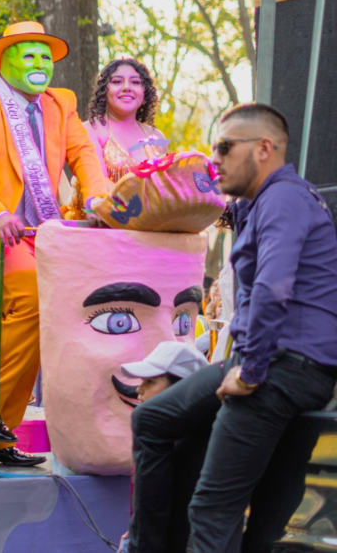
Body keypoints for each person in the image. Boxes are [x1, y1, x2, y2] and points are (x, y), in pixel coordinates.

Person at [128, 104, 337, 553]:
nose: (214, 159)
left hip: (283, 366)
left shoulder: (285, 198)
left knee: (212, 508)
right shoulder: (261, 203)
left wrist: (251, 371)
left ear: (264, 149)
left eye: (224, 147)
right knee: (152, 420)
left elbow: (274, 287)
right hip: (262, 358)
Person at [0, 21, 107, 467]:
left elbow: (83, 155)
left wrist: (99, 194)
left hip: (42, 234)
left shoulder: (59, 104)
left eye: (46, 56)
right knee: (33, 297)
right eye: (29, 55)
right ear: (3, 61)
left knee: (45, 319)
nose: (40, 64)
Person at [117, 341, 208, 553]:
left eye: (150, 382)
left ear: (181, 390)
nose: (139, 390)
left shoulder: (195, 448)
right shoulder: (161, 438)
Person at [65, 57, 168, 219]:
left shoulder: (156, 137)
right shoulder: (89, 129)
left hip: (147, 229)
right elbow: (97, 179)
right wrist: (133, 209)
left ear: (145, 91)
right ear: (104, 90)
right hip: (95, 227)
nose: (127, 87)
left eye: (135, 82)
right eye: (117, 82)